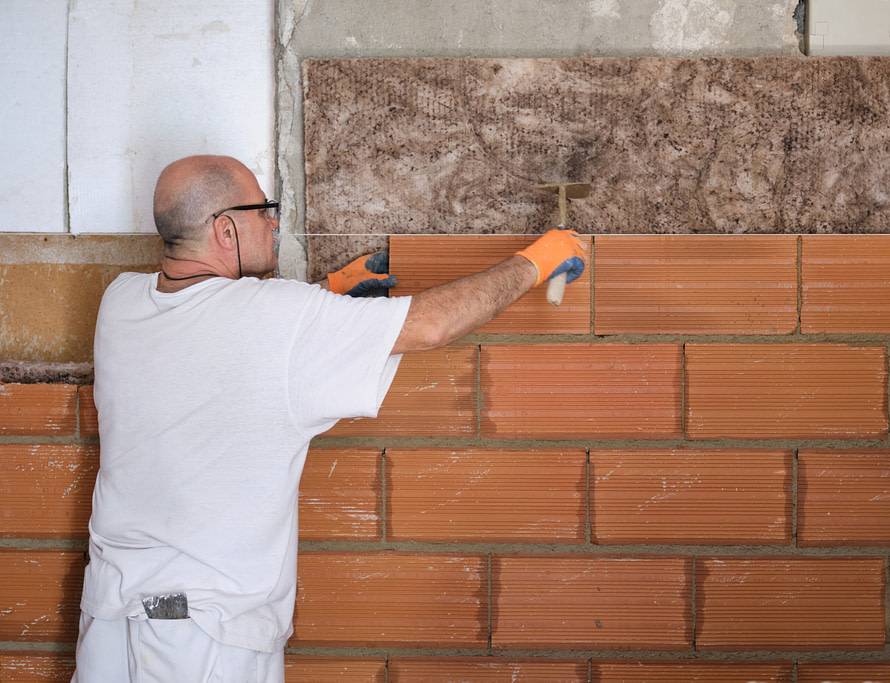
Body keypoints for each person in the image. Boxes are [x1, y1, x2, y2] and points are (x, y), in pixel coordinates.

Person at [71, 154, 586, 682]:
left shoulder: (121, 302)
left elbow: (222, 343)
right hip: (204, 644)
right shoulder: (279, 316)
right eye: (262, 210)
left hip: (108, 627)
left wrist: (328, 298)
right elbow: (430, 327)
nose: (274, 221)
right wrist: (536, 261)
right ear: (225, 230)